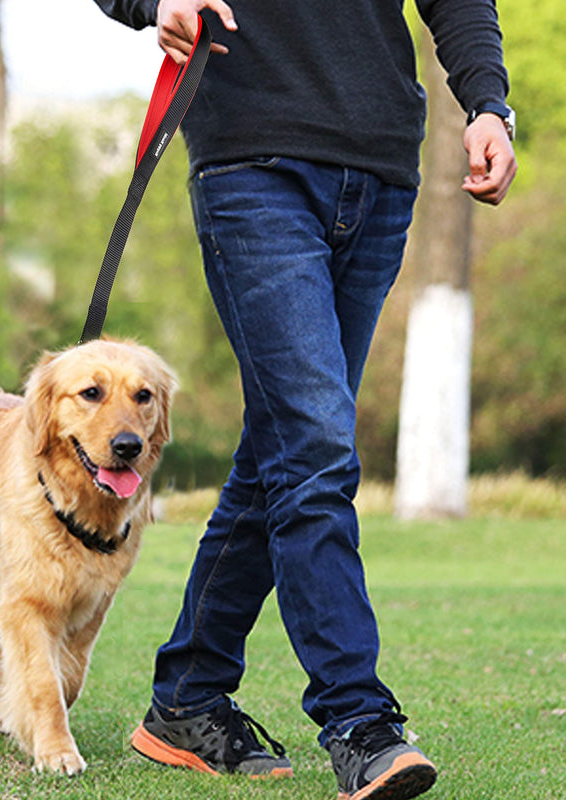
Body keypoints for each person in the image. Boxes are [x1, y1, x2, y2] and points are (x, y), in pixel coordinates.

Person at [93, 1, 517, 798]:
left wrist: (488, 103)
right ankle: (359, 722)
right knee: (316, 445)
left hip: (383, 168)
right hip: (255, 159)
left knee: (284, 450)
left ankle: (186, 698)